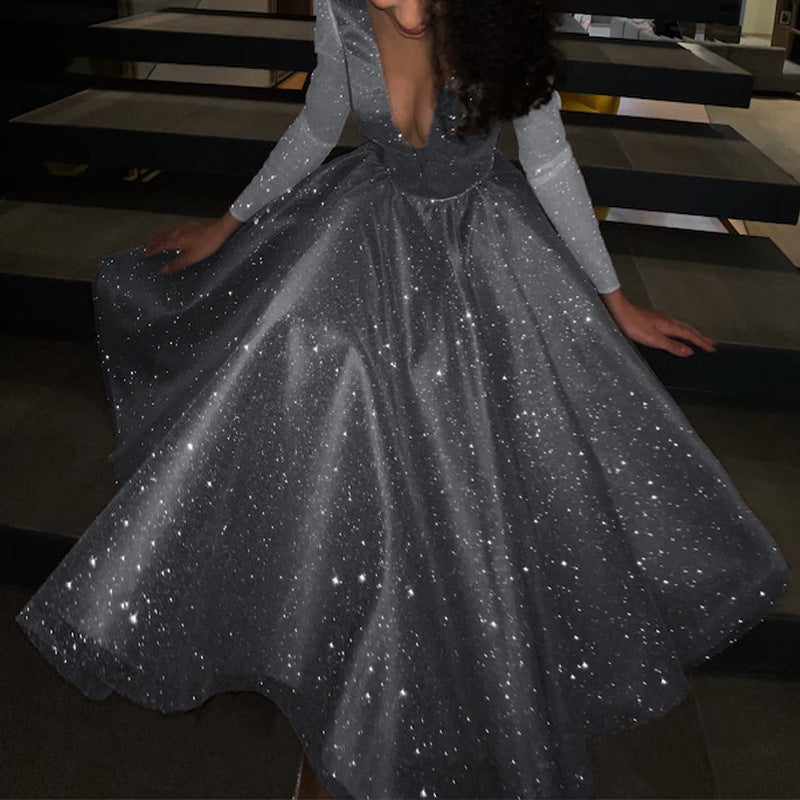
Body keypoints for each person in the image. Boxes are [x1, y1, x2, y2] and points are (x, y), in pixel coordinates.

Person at [16, 0, 791, 798]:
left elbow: (550, 158)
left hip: (485, 250)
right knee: (326, 382)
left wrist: (614, 301)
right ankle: (341, 690)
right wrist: (228, 224)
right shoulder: (340, 12)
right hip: (369, 235)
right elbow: (318, 126)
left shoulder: (502, 18)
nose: (410, 14)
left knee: (483, 473)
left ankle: (474, 681)